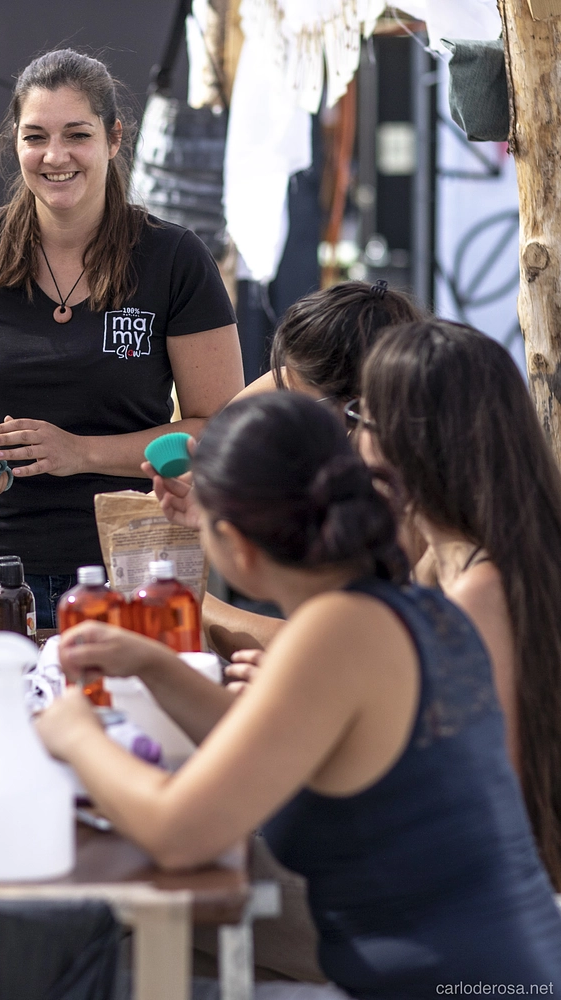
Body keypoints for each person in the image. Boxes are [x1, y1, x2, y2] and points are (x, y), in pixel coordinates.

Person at [38, 393, 561, 994]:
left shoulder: (333, 633)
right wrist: (153, 664)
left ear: (235, 545)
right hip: (497, 968)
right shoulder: (395, 605)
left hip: (441, 982)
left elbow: (177, 835)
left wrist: (74, 732)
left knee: (99, 961)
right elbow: (263, 739)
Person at [0, 49, 243, 626]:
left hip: (132, 565)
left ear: (114, 139)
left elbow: (218, 429)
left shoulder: (174, 258)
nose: (55, 156)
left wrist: (80, 452)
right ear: (15, 142)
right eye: (35, 137)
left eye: (77, 135)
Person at [357, 318, 561, 889]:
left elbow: (489, 794)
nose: (353, 439)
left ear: (409, 442)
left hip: (489, 903)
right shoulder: (446, 560)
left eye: (362, 417)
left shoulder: (477, 592)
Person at [148, 279, 424, 658]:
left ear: (357, 408)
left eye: (295, 403)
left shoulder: (407, 511)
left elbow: (331, 650)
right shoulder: (377, 454)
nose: (283, 418)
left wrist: (187, 602)